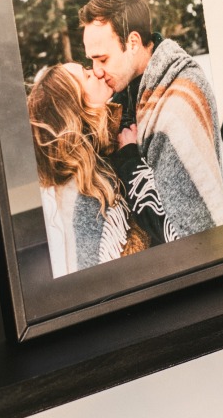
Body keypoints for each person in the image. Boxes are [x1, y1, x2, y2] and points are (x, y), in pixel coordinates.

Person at [79, 0, 223, 238]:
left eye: (102, 59)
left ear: (134, 42)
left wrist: (128, 158)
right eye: (91, 60)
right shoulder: (129, 89)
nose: (96, 69)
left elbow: (187, 234)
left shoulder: (175, 107)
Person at [26, 63, 150, 277]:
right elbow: (89, 275)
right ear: (74, 106)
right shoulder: (81, 192)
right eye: (87, 75)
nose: (98, 72)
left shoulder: (100, 152)